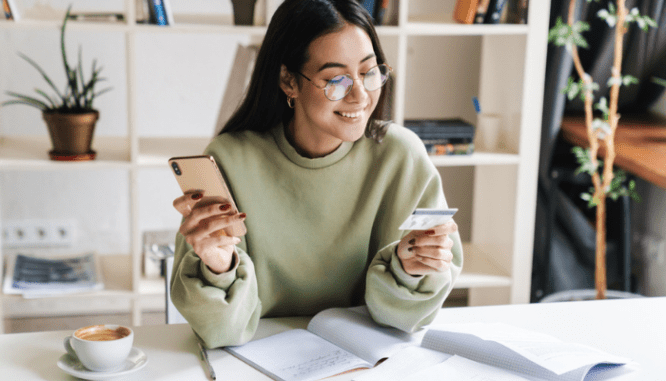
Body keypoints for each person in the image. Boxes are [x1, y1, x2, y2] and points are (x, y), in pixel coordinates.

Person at [171, 0, 463, 349]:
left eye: (370, 73)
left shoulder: (402, 156)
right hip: (257, 359)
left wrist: (411, 269)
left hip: (368, 359)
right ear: (288, 81)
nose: (360, 95)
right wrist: (218, 267)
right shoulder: (230, 159)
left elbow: (406, 322)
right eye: (336, 79)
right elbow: (222, 332)